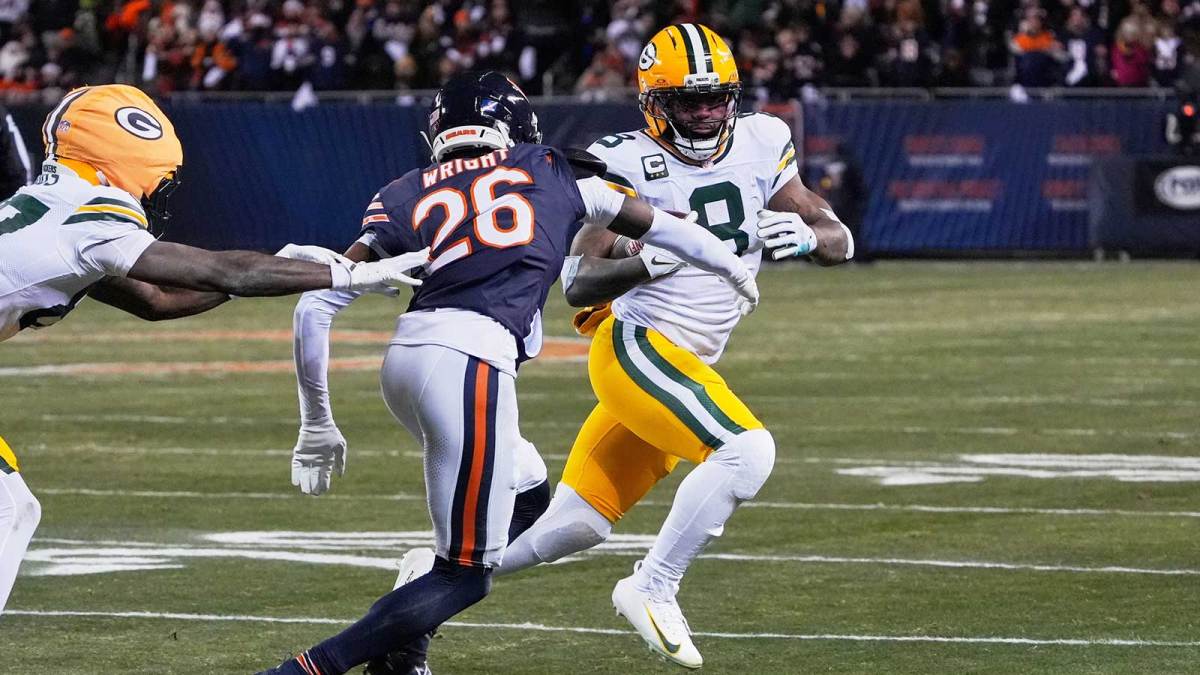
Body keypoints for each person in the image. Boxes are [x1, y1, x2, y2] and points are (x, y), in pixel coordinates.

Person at [256, 70, 757, 675]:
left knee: (529, 490)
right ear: (520, 128)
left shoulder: (403, 190)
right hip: (471, 363)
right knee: (465, 577)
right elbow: (673, 231)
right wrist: (735, 271)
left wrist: (317, 422)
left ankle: (400, 651)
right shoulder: (550, 168)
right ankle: (308, 669)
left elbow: (315, 303)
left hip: (407, 364)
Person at [494, 23, 852, 668]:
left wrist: (808, 238)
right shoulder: (621, 160)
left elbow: (835, 235)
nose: (709, 113)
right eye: (692, 102)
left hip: (689, 358)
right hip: (636, 343)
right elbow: (577, 283)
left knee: (573, 526)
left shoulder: (765, 137)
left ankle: (428, 583)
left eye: (718, 99)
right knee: (746, 453)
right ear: (654, 103)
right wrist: (644, 264)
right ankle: (652, 585)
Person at [0, 83, 428, 615]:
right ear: (124, 159)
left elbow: (156, 300)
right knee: (9, 509)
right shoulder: (90, 220)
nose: (155, 193)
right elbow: (226, 270)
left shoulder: (53, 206)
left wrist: (288, 266)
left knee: (12, 507)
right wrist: (348, 272)